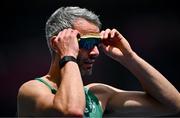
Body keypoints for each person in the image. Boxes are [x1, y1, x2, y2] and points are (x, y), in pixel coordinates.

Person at [17, 6, 180, 117]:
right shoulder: (32, 90)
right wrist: (68, 56)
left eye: (96, 44)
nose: (95, 52)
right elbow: (72, 111)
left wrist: (130, 57)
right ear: (58, 43)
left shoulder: (98, 94)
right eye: (87, 43)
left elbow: (174, 104)